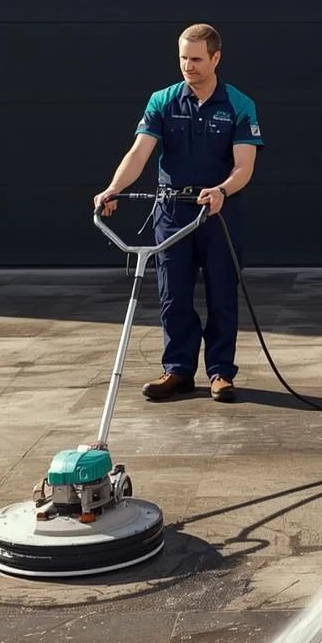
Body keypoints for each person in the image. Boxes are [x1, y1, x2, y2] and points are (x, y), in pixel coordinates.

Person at [94, 23, 263, 404]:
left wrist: (221, 190)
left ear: (216, 58)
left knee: (222, 293)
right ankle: (178, 371)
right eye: (184, 58)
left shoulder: (238, 105)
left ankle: (220, 372)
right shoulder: (163, 101)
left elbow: (244, 167)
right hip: (170, 211)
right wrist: (113, 188)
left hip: (217, 212)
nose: (189, 66)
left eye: (197, 59)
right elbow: (139, 153)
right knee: (173, 294)